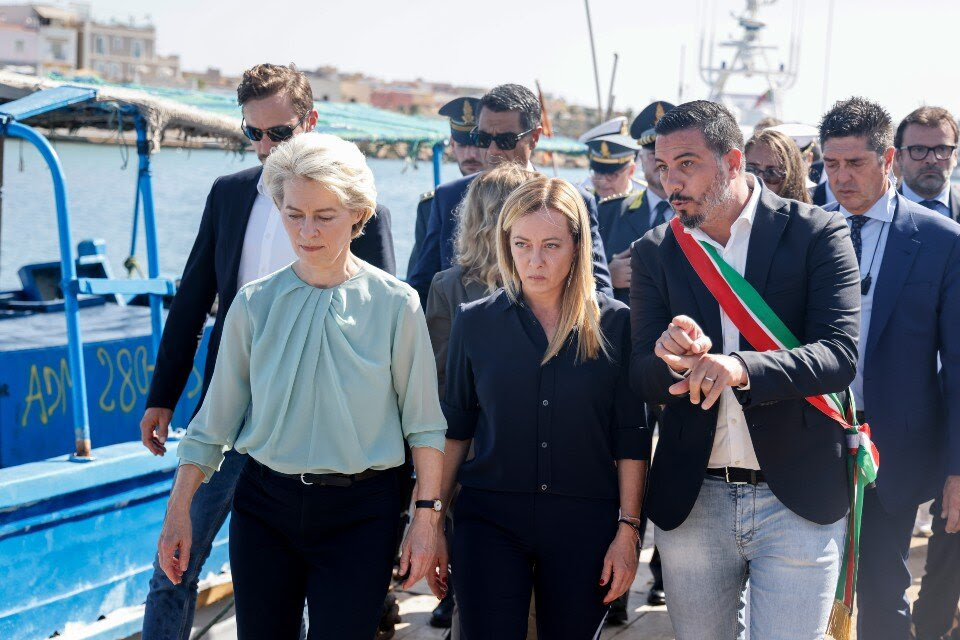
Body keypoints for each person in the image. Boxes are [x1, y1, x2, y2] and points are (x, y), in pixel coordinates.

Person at [138, 63, 397, 640]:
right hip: (230, 416)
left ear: (311, 121)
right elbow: (192, 300)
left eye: (278, 133)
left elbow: (381, 325)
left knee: (302, 583)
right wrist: (163, 395)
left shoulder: (354, 203)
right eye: (251, 132)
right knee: (173, 564)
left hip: (317, 429)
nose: (263, 146)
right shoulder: (230, 194)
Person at [630, 100, 860, 639]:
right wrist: (670, 358)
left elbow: (839, 355)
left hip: (798, 500)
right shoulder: (655, 251)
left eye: (687, 163)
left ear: (734, 160)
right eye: (663, 168)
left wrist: (738, 367)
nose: (671, 182)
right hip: (696, 499)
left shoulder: (818, 233)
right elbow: (640, 376)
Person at [434, 175, 648, 639]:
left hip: (584, 523)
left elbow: (631, 436)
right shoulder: (475, 323)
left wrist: (628, 532)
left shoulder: (618, 325)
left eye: (551, 245)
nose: (535, 260)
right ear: (505, 244)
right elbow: (456, 426)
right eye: (522, 244)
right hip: (489, 519)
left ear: (577, 245)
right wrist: (429, 522)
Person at [818, 97, 960, 640]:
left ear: (888, 162)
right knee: (803, 593)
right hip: (809, 444)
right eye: (831, 164)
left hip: (892, 456)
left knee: (881, 593)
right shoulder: (806, 231)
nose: (841, 177)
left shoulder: (940, 241)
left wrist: (955, 468)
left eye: (855, 164)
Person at [422, 163, 534, 632]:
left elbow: (441, 383)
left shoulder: (448, 287)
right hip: (483, 467)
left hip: (478, 463)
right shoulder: (450, 287)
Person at [406, 83, 612, 304]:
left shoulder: (573, 201)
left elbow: (597, 290)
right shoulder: (448, 198)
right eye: (483, 139)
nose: (493, 151)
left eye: (505, 140)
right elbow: (423, 288)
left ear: (534, 137)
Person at [407, 97, 485, 275]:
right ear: (452, 145)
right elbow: (421, 275)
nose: (470, 154)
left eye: (477, 144)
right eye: (463, 145)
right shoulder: (432, 205)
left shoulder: (512, 199)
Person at [894, 106, 960, 222]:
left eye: (942, 149)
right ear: (899, 157)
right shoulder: (873, 214)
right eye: (919, 149)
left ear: (955, 156)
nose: (931, 159)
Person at [744, 128, 812, 203]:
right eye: (751, 170)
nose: (759, 179)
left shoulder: (805, 214)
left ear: (790, 179)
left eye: (772, 173)